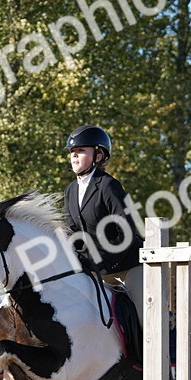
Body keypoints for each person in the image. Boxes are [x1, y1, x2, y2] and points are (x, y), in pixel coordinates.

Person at [63, 124, 144, 324]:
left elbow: (126, 231)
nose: (74, 156)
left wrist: (104, 264)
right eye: (72, 152)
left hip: (127, 267)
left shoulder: (108, 186)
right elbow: (72, 233)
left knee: (145, 316)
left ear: (98, 156)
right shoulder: (71, 190)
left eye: (81, 151)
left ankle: (169, 344)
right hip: (96, 270)